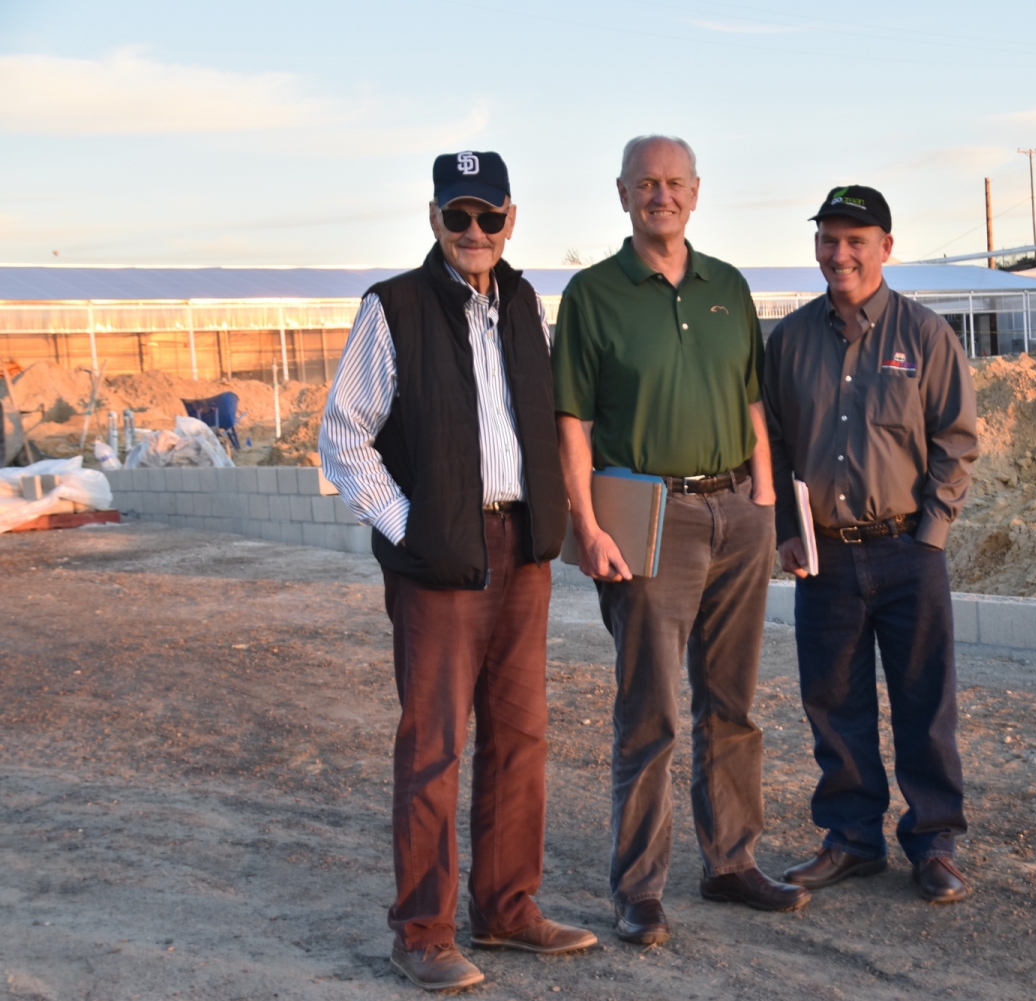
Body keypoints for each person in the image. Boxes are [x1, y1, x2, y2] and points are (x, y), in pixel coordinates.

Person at [320, 151, 596, 992]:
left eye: (489, 216)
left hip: (522, 553)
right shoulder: (393, 306)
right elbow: (343, 435)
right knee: (434, 746)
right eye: (458, 217)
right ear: (434, 219)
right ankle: (422, 931)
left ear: (512, 218)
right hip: (440, 562)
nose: (474, 232)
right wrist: (416, 530)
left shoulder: (522, 302)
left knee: (520, 739)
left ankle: (508, 907)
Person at [553, 134, 811, 946]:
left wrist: (765, 502)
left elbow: (752, 407)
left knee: (731, 703)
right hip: (647, 519)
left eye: (673, 183)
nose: (660, 196)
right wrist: (588, 527)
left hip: (736, 509)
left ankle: (730, 861)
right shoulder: (593, 295)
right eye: (645, 184)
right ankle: (640, 888)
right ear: (622, 193)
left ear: (695, 192)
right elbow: (573, 422)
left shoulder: (727, 287)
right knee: (650, 710)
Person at [761, 184, 979, 903]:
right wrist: (788, 532)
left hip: (906, 549)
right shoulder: (788, 341)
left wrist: (930, 534)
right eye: (828, 238)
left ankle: (934, 841)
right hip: (823, 555)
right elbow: (777, 444)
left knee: (923, 698)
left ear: (886, 247)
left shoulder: (925, 336)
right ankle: (852, 838)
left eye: (856, 240)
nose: (839, 252)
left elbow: (956, 440)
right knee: (833, 701)